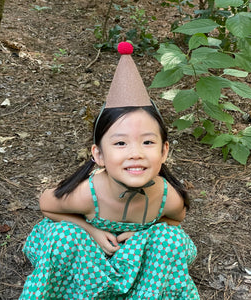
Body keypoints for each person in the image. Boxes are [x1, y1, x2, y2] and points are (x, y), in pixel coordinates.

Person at [20, 42, 199, 299]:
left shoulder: (166, 196)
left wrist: (145, 233)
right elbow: (47, 205)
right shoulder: (88, 194)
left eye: (148, 142)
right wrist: (90, 229)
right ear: (99, 155)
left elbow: (176, 218)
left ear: (164, 151)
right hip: (86, 256)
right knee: (62, 235)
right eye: (120, 143)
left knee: (169, 238)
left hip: (136, 259)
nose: (135, 152)